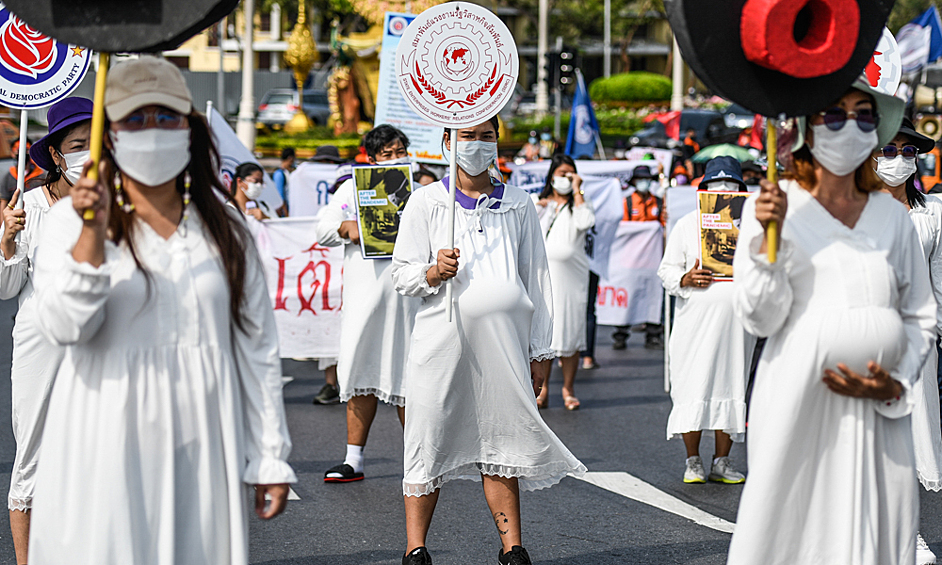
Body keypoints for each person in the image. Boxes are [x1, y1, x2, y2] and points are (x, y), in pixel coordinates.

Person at [27, 56, 296, 563]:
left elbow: (257, 349)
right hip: (102, 441)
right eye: (134, 119)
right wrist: (93, 231)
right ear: (111, 136)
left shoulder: (227, 229)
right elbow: (65, 326)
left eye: (166, 116)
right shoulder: (69, 222)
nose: (152, 131)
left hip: (204, 446)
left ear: (189, 129)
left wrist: (269, 455)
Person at [728, 81, 935, 564]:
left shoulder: (891, 216)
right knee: (797, 530)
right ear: (807, 130)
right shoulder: (776, 208)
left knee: (880, 531)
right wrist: (764, 245)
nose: (850, 127)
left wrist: (895, 379)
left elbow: (920, 314)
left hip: (882, 409)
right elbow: (759, 316)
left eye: (864, 116)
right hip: (801, 399)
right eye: (834, 116)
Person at [391, 116, 586, 565]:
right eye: (467, 136)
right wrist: (433, 271)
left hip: (504, 345)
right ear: (447, 141)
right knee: (428, 437)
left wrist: (541, 350)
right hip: (441, 345)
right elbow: (402, 274)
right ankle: (415, 549)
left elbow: (537, 278)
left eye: (486, 136)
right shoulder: (426, 203)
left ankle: (512, 548)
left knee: (502, 441)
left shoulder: (517, 204)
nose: (477, 145)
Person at [0, 96, 92, 565]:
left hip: (99, 341)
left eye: (96, 142)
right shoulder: (29, 205)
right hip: (39, 342)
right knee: (33, 456)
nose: (88, 153)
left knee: (96, 454)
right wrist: (8, 239)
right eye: (78, 144)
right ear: (55, 154)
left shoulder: (116, 202)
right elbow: (8, 287)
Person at [315, 124, 419, 483]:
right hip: (364, 302)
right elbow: (322, 230)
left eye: (399, 151)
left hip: (409, 304)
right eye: (386, 154)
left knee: (410, 380)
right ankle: (353, 459)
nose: (394, 158)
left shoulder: (419, 192)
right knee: (360, 375)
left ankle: (417, 461)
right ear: (371, 158)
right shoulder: (351, 189)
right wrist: (349, 227)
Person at [657, 156, 753, 485]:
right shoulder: (686, 225)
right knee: (694, 385)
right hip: (695, 325)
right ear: (704, 190)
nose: (723, 190)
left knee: (731, 385)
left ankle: (722, 461)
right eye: (717, 185)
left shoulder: (753, 227)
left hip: (737, 325)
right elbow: (666, 271)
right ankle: (693, 460)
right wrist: (686, 277)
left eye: (730, 185)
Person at [873, 116, 942, 565]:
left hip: (917, 346)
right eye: (890, 150)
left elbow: (939, 281)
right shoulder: (847, 212)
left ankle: (907, 535)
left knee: (909, 438)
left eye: (909, 152)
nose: (900, 160)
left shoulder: (933, 214)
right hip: (863, 341)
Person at [532, 155, 595, 410]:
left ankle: (568, 388)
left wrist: (578, 190)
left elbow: (586, 223)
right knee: (546, 334)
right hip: (543, 279)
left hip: (572, 280)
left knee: (570, 332)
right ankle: (543, 388)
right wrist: (541, 205)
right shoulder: (539, 203)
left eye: (571, 174)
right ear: (552, 176)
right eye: (562, 173)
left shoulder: (581, 203)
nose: (566, 178)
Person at [612, 164, 664, 350]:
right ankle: (620, 334)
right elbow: (622, 230)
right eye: (641, 179)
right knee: (628, 295)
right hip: (631, 259)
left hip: (652, 259)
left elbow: (663, 227)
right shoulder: (627, 202)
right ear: (634, 181)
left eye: (647, 179)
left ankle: (653, 335)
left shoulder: (658, 202)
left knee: (653, 295)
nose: (644, 182)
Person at [0, 140, 43, 208]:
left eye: (26, 150)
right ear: (12, 153)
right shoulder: (8, 177)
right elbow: (4, 201)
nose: (22, 153)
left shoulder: (42, 177)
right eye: (18, 150)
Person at [273, 147, 295, 217]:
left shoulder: (287, 172)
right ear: (290, 158)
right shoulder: (279, 174)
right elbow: (280, 195)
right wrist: (286, 213)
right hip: (284, 211)